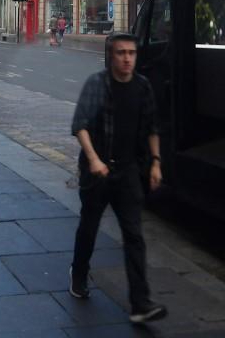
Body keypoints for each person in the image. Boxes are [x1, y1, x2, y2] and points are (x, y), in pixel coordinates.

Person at [69, 32, 167, 324]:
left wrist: (156, 163)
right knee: (89, 227)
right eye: (121, 53)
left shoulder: (142, 86)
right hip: (97, 173)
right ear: (111, 56)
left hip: (127, 173)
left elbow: (151, 127)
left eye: (132, 53)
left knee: (134, 235)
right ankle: (78, 273)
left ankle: (140, 303)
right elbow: (80, 125)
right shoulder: (97, 84)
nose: (127, 58)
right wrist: (94, 159)